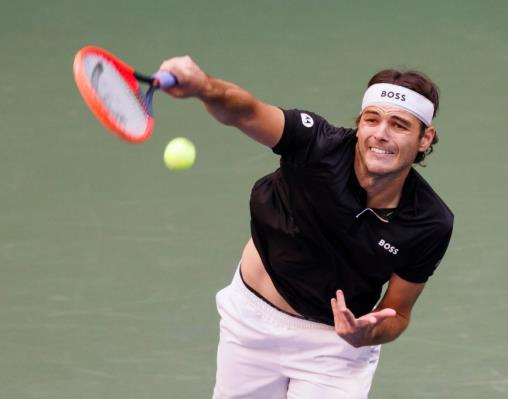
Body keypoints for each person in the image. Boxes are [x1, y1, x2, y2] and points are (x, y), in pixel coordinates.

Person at [159, 56, 454, 398]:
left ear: (424, 138)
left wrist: (365, 335)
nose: (381, 134)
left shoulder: (429, 222)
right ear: (360, 125)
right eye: (372, 120)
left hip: (334, 349)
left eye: (400, 125)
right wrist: (203, 87)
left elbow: (398, 313)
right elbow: (247, 112)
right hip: (250, 325)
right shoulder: (317, 146)